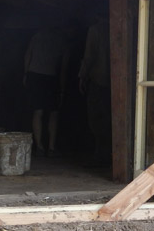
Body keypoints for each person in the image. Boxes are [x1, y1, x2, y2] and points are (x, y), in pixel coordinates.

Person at [23, 26, 68, 157]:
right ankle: (51, 147)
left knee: (38, 111)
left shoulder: (37, 36)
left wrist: (25, 74)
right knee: (53, 113)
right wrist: (62, 89)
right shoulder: (61, 40)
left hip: (35, 75)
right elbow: (64, 66)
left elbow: (27, 55)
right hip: (50, 77)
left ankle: (40, 146)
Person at [78, 15, 111, 168]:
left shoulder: (95, 30)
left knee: (97, 117)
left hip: (98, 79)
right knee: (108, 116)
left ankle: (101, 153)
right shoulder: (115, 27)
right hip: (114, 79)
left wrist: (82, 76)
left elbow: (89, 55)